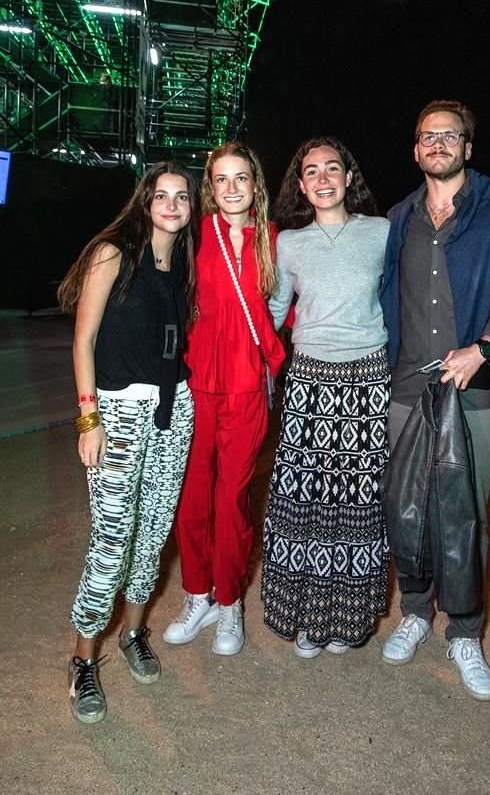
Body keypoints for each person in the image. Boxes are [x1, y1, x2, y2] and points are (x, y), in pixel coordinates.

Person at [380, 99, 490, 701]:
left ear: (468, 148)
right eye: (428, 136)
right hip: (405, 386)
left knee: (465, 511)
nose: (439, 144)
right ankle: (417, 613)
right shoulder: (399, 215)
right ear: (416, 149)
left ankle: (465, 630)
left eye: (451, 136)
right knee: (408, 507)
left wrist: (485, 346)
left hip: (473, 387)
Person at [57, 162, 200, 724]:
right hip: (117, 411)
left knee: (155, 533)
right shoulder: (113, 250)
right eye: (160, 195)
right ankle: (82, 659)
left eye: (180, 196)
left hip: (174, 408)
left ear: (191, 207)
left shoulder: (183, 260)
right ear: (143, 202)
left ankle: (134, 634)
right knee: (112, 541)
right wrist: (88, 419)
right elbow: (83, 339)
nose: (170, 204)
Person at [260, 136, 391, 658]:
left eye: (331, 168)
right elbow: (273, 312)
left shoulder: (381, 233)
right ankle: (309, 618)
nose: (322, 178)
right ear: (300, 184)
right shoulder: (290, 243)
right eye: (310, 171)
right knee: (306, 501)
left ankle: (350, 616)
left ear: (348, 176)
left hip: (367, 378)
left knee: (358, 501)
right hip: (310, 379)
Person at [163, 142, 285, 655]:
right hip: (196, 383)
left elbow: (288, 300)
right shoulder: (195, 234)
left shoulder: (276, 240)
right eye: (221, 180)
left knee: (231, 498)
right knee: (191, 497)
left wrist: (268, 344)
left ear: (255, 184)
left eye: (241, 178)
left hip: (247, 385)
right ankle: (197, 595)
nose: (231, 188)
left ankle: (229, 599)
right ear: (209, 188)